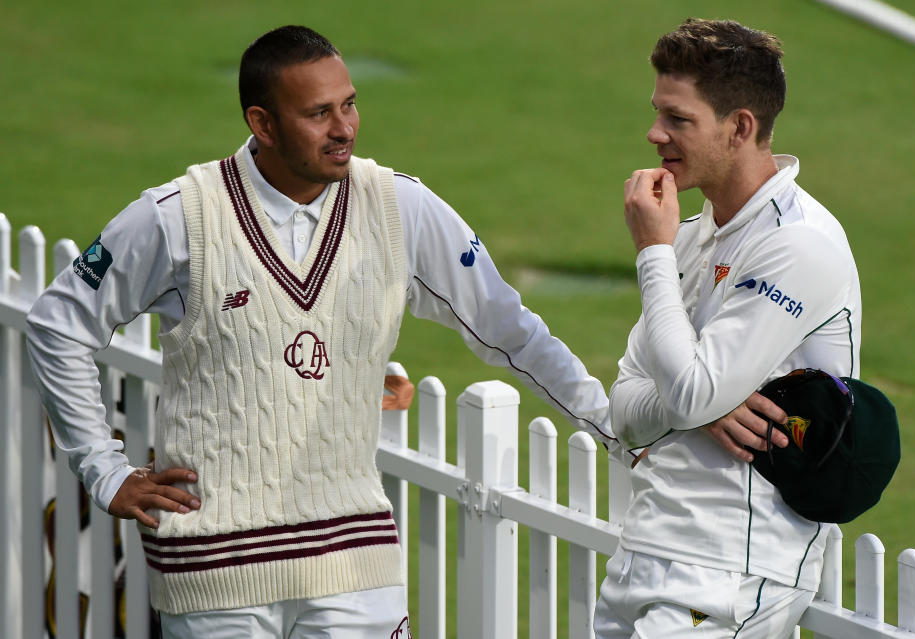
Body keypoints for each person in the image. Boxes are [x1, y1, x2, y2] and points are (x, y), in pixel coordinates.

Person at [25, 25, 617, 638]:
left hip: (354, 566)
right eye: (318, 113)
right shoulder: (177, 216)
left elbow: (512, 331)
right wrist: (104, 468)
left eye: (349, 103)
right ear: (263, 123)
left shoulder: (401, 208)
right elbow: (58, 323)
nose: (345, 128)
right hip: (213, 576)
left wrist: (616, 425)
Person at [595, 18, 862, 638]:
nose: (654, 133)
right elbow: (625, 409)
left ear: (740, 126)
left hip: (732, 571)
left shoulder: (798, 243)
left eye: (678, 119)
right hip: (645, 551)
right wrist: (703, 404)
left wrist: (652, 254)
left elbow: (687, 391)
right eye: (658, 112)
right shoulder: (689, 236)